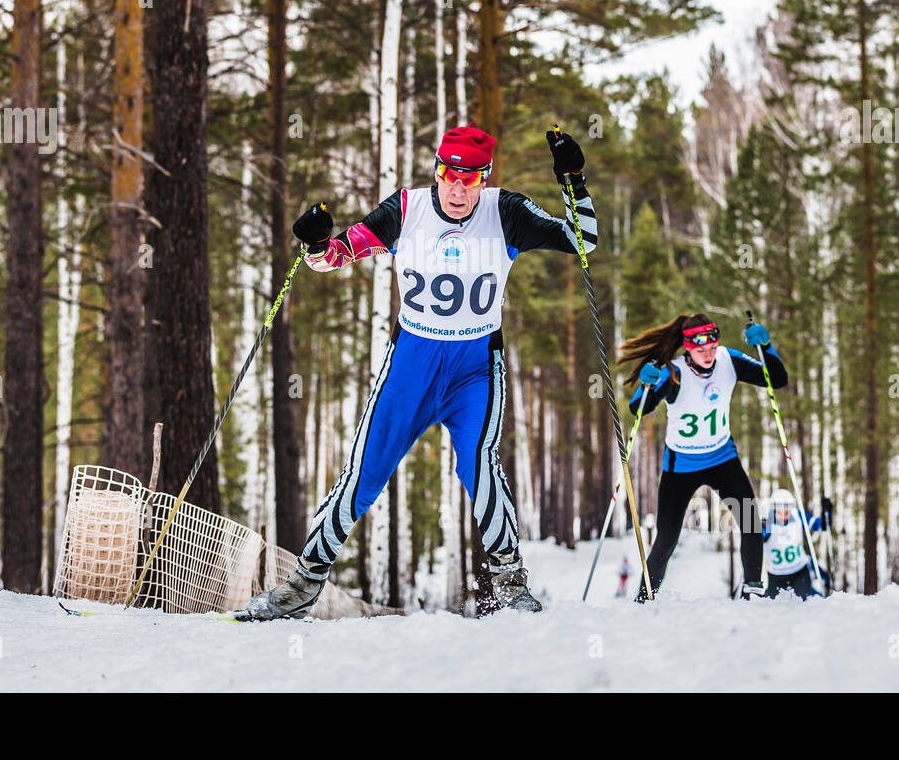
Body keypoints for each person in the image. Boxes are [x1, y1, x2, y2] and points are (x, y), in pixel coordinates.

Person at [242, 125, 597, 620]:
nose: (457, 189)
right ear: (437, 169)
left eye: (470, 180)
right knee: (364, 474)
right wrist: (315, 244)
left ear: (485, 179)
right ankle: (302, 585)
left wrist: (573, 179)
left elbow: (584, 242)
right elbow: (337, 254)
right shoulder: (406, 210)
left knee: (480, 466)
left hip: (475, 367)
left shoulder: (506, 213)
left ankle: (512, 585)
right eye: (449, 175)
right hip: (411, 362)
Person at [618, 314, 788, 600]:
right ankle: (645, 598)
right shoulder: (673, 372)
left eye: (711, 347)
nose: (708, 355)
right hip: (681, 466)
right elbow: (639, 409)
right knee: (666, 539)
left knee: (750, 521)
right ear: (687, 348)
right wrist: (645, 384)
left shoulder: (728, 360)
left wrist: (767, 346)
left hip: (722, 457)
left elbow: (776, 380)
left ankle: (754, 590)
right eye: (700, 350)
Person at [762, 488, 832, 599]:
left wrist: (826, 513)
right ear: (773, 510)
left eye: (786, 512)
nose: (783, 516)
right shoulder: (768, 522)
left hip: (799, 573)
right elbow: (759, 538)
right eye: (779, 512)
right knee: (775, 609)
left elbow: (821, 526)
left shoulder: (798, 515)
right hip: (776, 577)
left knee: (804, 606)